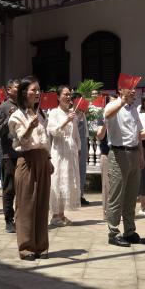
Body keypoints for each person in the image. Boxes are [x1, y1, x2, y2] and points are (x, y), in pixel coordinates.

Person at [9, 76, 52, 260]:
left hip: (42, 159)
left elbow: (45, 140)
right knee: (26, 204)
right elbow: (21, 139)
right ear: (24, 92)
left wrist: (48, 159)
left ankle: (41, 245)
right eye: (33, 90)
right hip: (27, 160)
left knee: (42, 203)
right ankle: (26, 247)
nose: (37, 93)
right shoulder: (17, 115)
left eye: (38, 90)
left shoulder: (41, 114)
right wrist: (29, 127)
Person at [104, 84, 145, 247]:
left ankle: (129, 231)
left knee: (131, 195)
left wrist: (141, 154)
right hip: (119, 153)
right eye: (130, 87)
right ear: (120, 90)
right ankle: (113, 232)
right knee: (116, 195)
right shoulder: (112, 105)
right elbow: (108, 115)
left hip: (134, 153)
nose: (133, 91)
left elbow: (138, 133)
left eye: (135, 88)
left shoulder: (133, 108)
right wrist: (122, 102)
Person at [47, 86, 81, 226]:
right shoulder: (54, 112)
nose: (68, 97)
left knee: (67, 181)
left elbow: (75, 134)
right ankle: (55, 215)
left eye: (69, 95)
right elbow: (53, 131)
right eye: (65, 94)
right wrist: (66, 120)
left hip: (70, 151)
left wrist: (78, 149)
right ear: (58, 97)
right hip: (59, 151)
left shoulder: (72, 112)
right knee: (58, 180)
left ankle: (61, 214)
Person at [0, 79, 20, 233]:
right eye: (17, 87)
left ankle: (21, 218)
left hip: (24, 152)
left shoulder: (24, 106)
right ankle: (9, 220)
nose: (20, 89)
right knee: (9, 188)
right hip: (9, 154)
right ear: (9, 90)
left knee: (23, 188)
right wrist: (9, 119)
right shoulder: (3, 107)